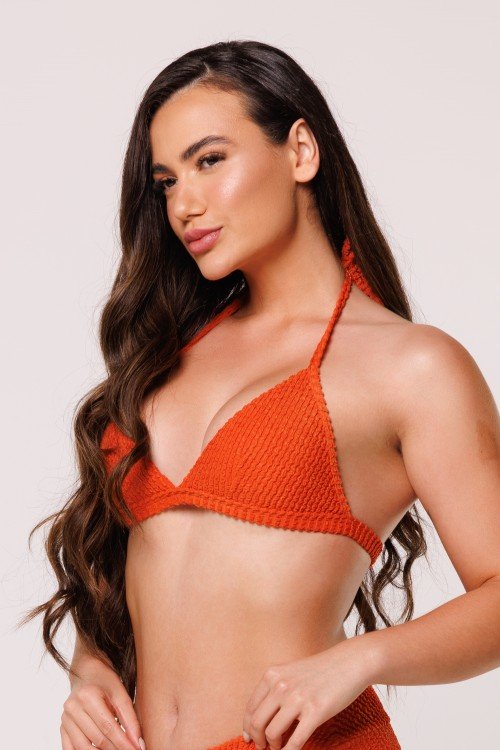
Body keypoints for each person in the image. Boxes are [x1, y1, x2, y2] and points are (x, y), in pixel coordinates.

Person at [21, 39, 500, 750]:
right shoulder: (163, 358)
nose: (184, 204)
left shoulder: (411, 367)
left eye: (210, 160)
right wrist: (90, 673)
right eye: (166, 181)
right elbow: (134, 572)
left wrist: (358, 658)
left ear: (301, 151)